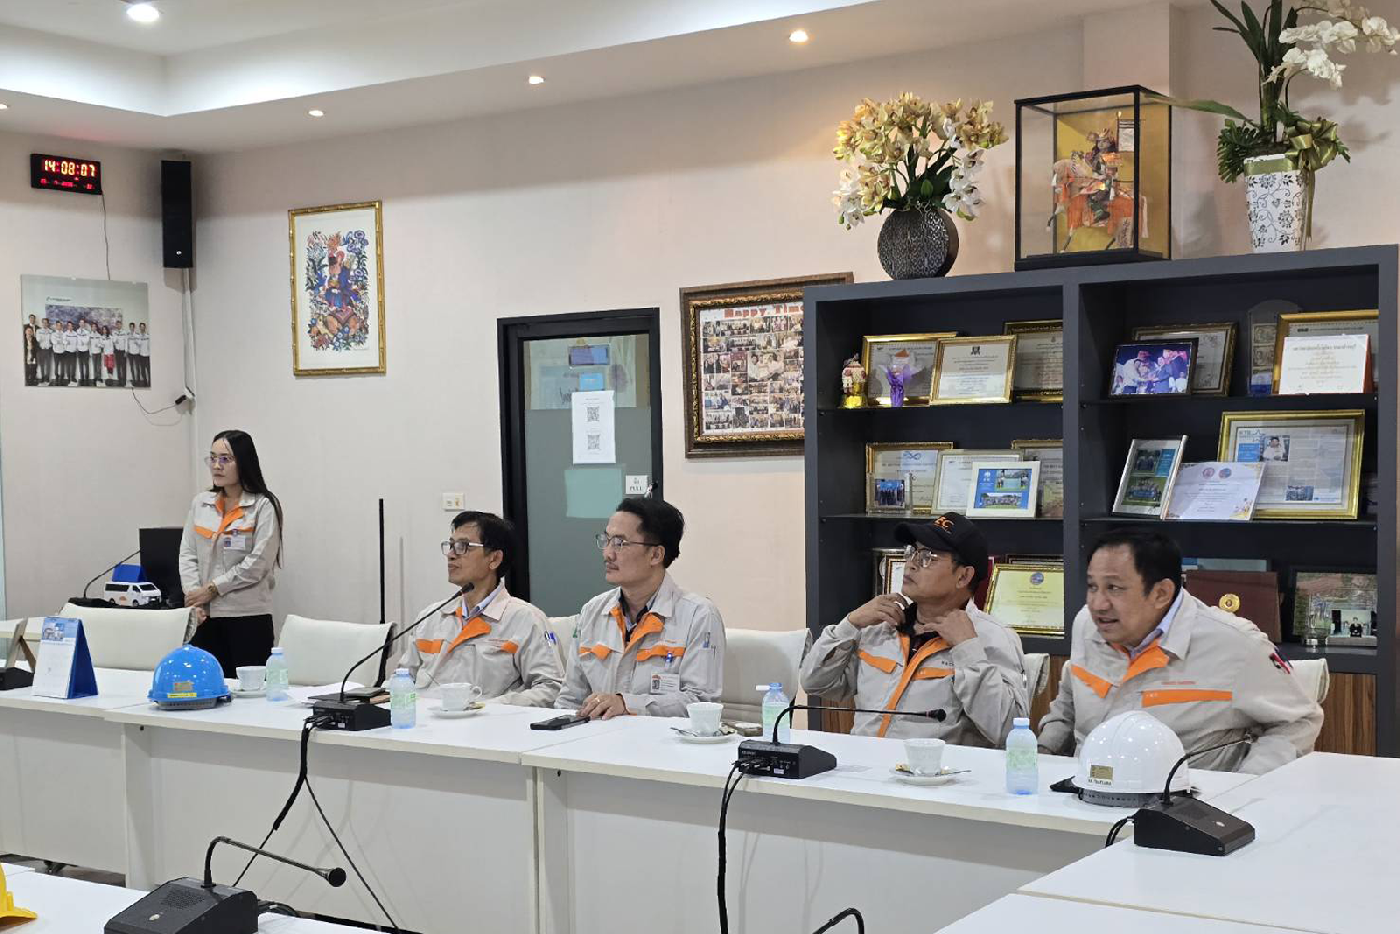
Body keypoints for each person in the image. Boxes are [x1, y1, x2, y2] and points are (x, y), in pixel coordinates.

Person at [1037, 528, 1322, 774]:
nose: (1098, 604)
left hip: (1184, 804)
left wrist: (1245, 784)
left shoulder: (1235, 644)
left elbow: (1299, 721)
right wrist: (1043, 752)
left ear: (1161, 593)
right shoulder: (1087, 624)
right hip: (1085, 792)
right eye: (1092, 586)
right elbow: (1070, 703)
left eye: (1114, 588)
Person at [801, 513, 1028, 744]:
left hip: (936, 766)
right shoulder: (881, 625)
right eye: (912, 552)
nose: (910, 564)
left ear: (963, 577)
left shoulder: (991, 637)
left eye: (928, 557)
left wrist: (967, 649)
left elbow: (1010, 730)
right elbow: (814, 683)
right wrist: (850, 624)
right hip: (865, 763)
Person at [555, 497, 726, 719]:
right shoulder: (592, 611)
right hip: (597, 737)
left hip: (664, 739)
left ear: (655, 555)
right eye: (606, 540)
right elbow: (570, 699)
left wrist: (626, 704)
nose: (607, 553)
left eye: (620, 543)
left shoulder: (698, 615)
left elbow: (700, 702)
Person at [395, 511, 563, 706]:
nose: (451, 555)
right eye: (451, 545)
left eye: (463, 546)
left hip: (489, 721)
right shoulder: (430, 617)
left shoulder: (525, 618)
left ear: (494, 559)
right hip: (422, 721)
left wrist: (491, 708)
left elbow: (551, 688)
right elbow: (401, 680)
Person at [179, 430, 284, 677]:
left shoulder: (263, 505)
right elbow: (188, 553)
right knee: (207, 688)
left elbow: (258, 563)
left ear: (244, 462)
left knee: (250, 691)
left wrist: (213, 588)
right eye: (213, 458)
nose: (217, 465)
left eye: (225, 459)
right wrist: (195, 598)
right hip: (204, 616)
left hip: (247, 616)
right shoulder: (201, 503)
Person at [35, 317, 52, 385]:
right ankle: (42, 377)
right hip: (41, 350)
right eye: (43, 322)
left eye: (46, 323)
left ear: (48, 324)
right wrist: (44, 335)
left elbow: (51, 340)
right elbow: (38, 339)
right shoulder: (38, 331)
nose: (45, 324)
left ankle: (47, 377)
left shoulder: (50, 331)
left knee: (48, 365)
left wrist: (45, 336)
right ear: (42, 323)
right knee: (42, 365)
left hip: (48, 350)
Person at [74, 320, 91, 386]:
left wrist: (81, 340)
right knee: (80, 365)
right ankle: (82, 378)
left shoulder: (87, 332)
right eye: (80, 323)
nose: (81, 324)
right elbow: (76, 340)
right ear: (79, 324)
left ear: (84, 324)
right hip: (79, 350)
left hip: (86, 350)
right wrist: (81, 341)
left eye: (83, 323)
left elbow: (87, 341)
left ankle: (87, 379)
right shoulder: (77, 331)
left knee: (86, 365)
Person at [113, 322, 128, 387]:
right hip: (117, 351)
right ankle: (119, 381)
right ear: (116, 325)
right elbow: (114, 341)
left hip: (123, 351)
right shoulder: (114, 332)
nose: (118, 325)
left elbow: (126, 342)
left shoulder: (124, 332)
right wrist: (117, 336)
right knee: (118, 367)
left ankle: (124, 381)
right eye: (117, 325)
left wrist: (126, 351)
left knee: (123, 367)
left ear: (121, 325)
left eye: (119, 324)